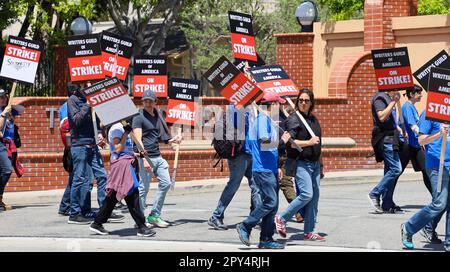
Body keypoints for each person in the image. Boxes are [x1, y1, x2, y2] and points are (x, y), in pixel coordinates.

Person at [236, 92, 290, 249]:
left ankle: (266, 238)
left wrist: (277, 166)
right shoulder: (262, 120)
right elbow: (264, 143)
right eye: (278, 103)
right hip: (262, 170)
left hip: (270, 168)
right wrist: (282, 142)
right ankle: (246, 225)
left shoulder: (269, 121)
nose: (280, 106)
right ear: (272, 105)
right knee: (271, 202)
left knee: (272, 206)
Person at [67, 83, 123, 224]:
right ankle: (74, 213)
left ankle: (104, 210)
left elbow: (98, 123)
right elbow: (76, 120)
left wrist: (100, 133)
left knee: (102, 176)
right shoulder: (73, 100)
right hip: (79, 146)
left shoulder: (93, 100)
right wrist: (87, 105)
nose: (88, 87)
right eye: (85, 85)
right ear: (79, 87)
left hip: (93, 146)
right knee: (79, 179)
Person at [275, 89, 325, 241]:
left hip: (315, 164)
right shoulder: (293, 119)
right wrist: (309, 142)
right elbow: (291, 143)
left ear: (311, 103)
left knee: (314, 198)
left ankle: (309, 231)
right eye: (301, 100)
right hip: (301, 162)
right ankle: (281, 218)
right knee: (306, 194)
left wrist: (321, 165)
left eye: (306, 100)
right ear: (297, 102)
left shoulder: (313, 120)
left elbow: (319, 143)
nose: (303, 103)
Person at [89, 122, 155, 237]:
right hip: (121, 165)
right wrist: (125, 133)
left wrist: (138, 154)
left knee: (113, 196)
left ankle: (97, 223)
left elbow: (126, 149)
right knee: (132, 193)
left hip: (127, 163)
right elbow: (117, 149)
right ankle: (141, 226)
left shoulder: (122, 128)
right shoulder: (116, 129)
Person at [207, 104, 262, 230]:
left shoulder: (252, 108)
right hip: (239, 154)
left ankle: (256, 217)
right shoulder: (236, 107)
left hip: (251, 152)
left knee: (256, 186)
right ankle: (216, 216)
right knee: (233, 185)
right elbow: (238, 124)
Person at [132, 89, 181, 228]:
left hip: (157, 156)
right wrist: (145, 159)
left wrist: (174, 139)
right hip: (145, 157)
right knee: (143, 189)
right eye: (145, 100)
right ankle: (140, 219)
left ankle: (154, 215)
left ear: (155, 102)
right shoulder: (138, 116)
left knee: (166, 183)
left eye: (150, 100)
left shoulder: (158, 115)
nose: (147, 103)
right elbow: (137, 139)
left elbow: (159, 137)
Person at [401, 114, 449, 251]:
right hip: (437, 164)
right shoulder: (430, 112)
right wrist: (439, 133)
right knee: (440, 203)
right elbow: (421, 140)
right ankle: (408, 228)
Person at [389, 85, 432, 215]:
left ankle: (436, 197)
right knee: (397, 172)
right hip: (406, 145)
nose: (421, 95)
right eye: (419, 93)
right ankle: (386, 199)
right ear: (412, 94)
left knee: (426, 170)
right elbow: (413, 126)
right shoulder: (407, 107)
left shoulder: (412, 107)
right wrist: (426, 137)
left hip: (415, 145)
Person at [368, 91, 403, 214]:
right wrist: (394, 101)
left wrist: (398, 129)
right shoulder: (380, 98)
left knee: (389, 171)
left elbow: (389, 121)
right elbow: (381, 117)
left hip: (391, 138)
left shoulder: (387, 97)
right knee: (396, 169)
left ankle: (387, 203)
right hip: (386, 140)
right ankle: (375, 193)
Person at [0, 88, 16, 211]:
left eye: (5, 96)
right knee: (6, 169)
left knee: (5, 170)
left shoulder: (6, 110)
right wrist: (4, 114)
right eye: (1, 97)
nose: (4, 99)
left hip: (4, 144)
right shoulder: (3, 112)